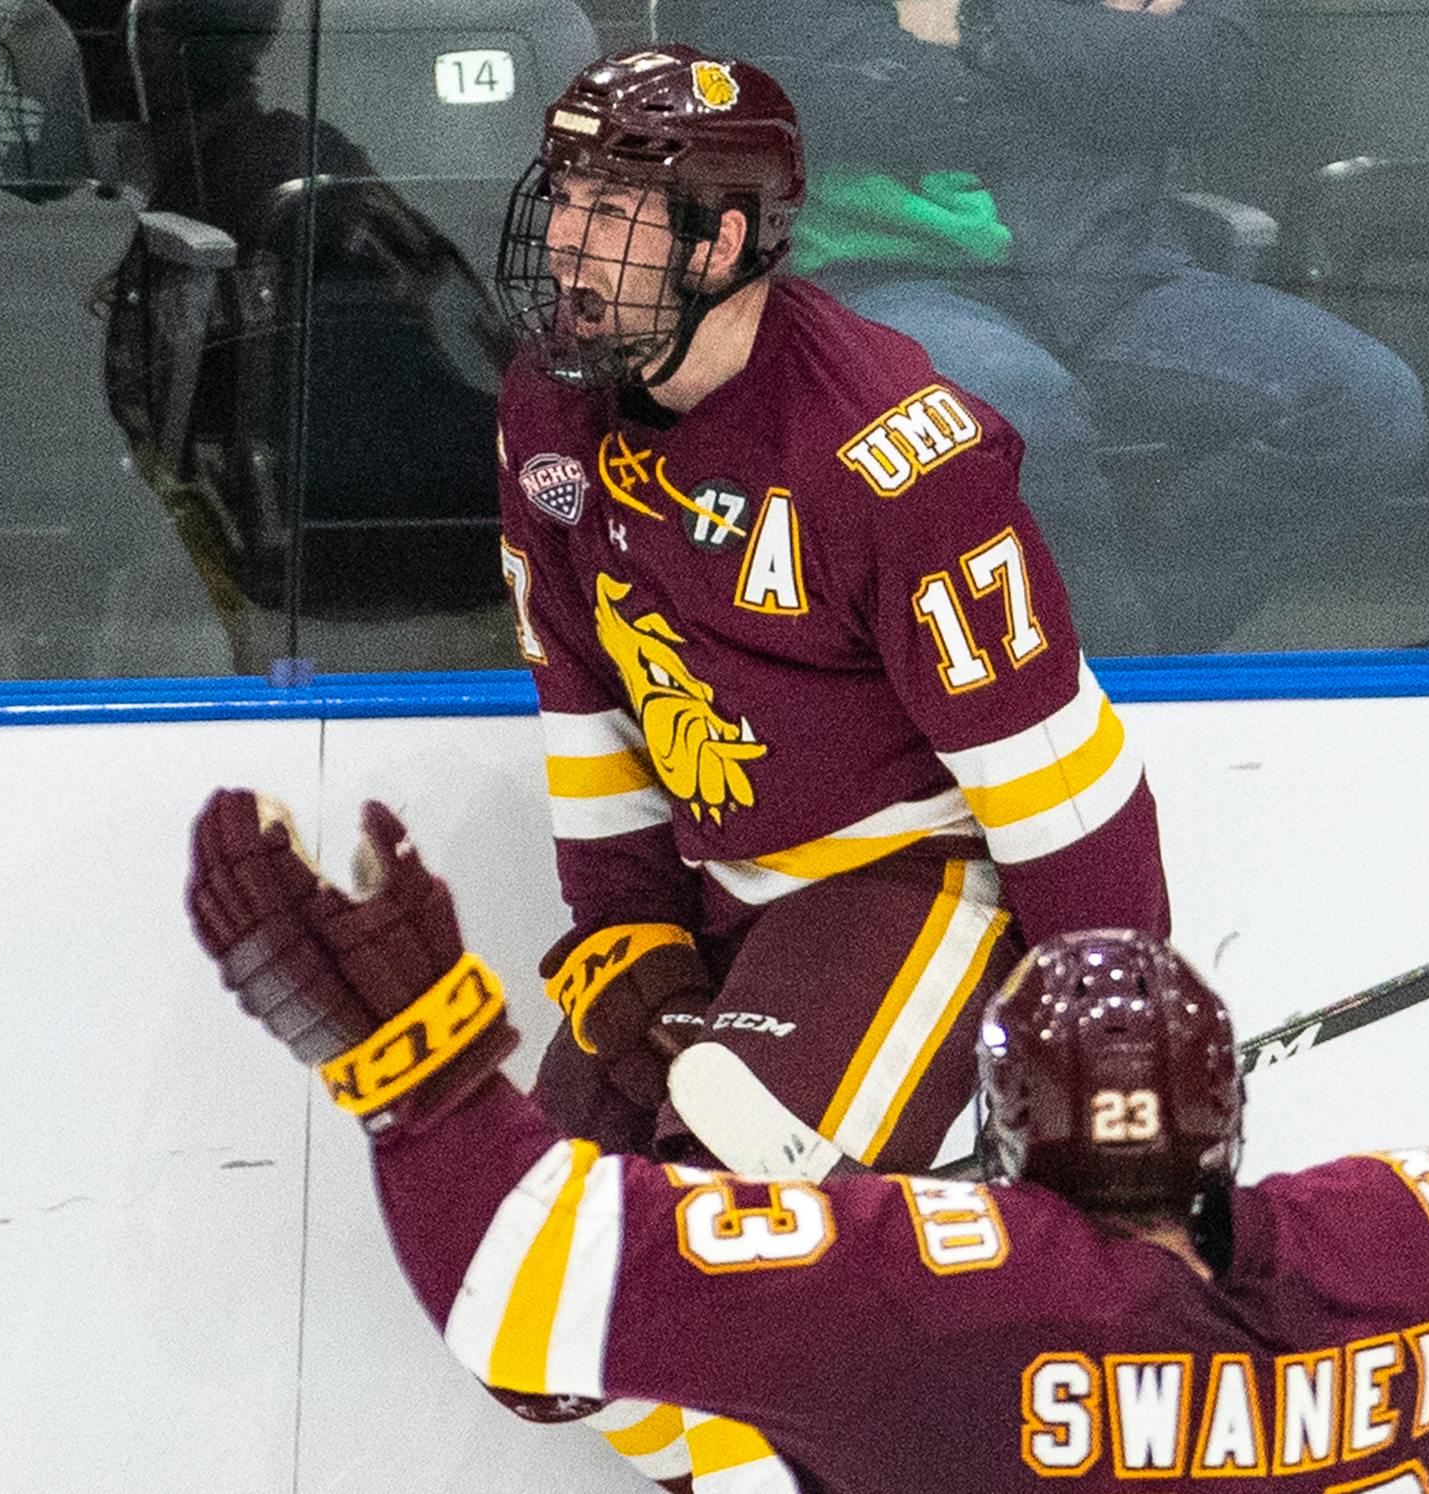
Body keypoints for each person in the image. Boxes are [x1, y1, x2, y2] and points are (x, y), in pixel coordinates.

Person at [184, 673, 1429, 1491]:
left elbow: (519, 1280)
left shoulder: (922, 1291)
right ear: (1225, 1120)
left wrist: (417, 1068)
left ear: (999, 1126)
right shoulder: (1428, 1253)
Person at [488, 46, 1169, 1189]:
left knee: (725, 1233)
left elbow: (1058, 781)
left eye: (611, 210)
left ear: (722, 243)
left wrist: (1111, 1050)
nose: (565, 238)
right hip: (727, 887)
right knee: (541, 1274)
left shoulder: (892, 451)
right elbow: (589, 699)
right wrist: (630, 935)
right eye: (566, 197)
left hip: (918, 879)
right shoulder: (549, 406)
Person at [656, 0, 1428, 654]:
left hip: (1113, 268)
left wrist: (973, 17)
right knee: (1014, 413)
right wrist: (1096, 69)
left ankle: (1137, 652)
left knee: (1364, 404)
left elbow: (1202, 81)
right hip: (880, 279)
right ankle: (1089, 701)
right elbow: (828, 95)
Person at [96, 0, 515, 674]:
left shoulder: (290, 187)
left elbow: (462, 393)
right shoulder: (194, 205)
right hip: (300, 600)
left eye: (142, 38)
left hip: (398, 615)